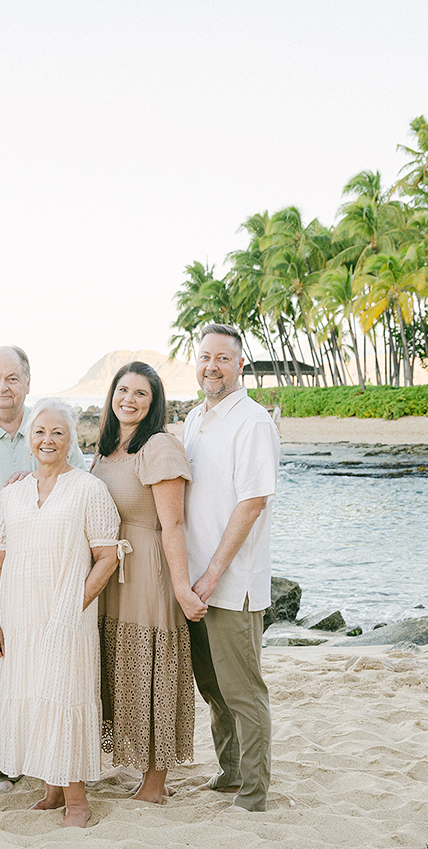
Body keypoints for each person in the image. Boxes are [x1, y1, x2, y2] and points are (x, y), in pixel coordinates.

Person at [0, 345, 85, 790]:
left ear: (28, 381)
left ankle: (45, 753)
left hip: (48, 576)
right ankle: (6, 758)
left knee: (46, 665)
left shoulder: (47, 425)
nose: (2, 388)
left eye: (12, 379)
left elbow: (79, 482)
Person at [0, 398, 121, 828]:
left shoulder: (87, 488)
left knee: (64, 696)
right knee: (35, 696)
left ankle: (77, 800)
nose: (48, 440)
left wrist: (73, 606)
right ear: (28, 440)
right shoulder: (12, 493)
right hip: (19, 616)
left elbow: (108, 556)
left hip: (66, 616)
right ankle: (52, 790)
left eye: (58, 432)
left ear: (72, 440)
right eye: (40, 431)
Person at [91, 361, 206, 804]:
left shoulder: (158, 447)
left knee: (150, 669)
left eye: (141, 393)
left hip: (148, 573)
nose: (129, 400)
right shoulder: (104, 450)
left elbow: (172, 525)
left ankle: (155, 784)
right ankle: (140, 773)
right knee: (121, 669)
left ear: (154, 401)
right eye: (123, 390)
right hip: (110, 573)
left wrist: (181, 588)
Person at [182, 323, 280, 813]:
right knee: (213, 689)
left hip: (230, 583)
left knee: (243, 692)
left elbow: (252, 502)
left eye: (222, 358)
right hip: (194, 585)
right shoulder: (193, 420)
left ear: (240, 364)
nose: (212, 366)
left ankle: (254, 793)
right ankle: (230, 772)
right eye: (204, 357)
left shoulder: (253, 422)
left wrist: (213, 573)